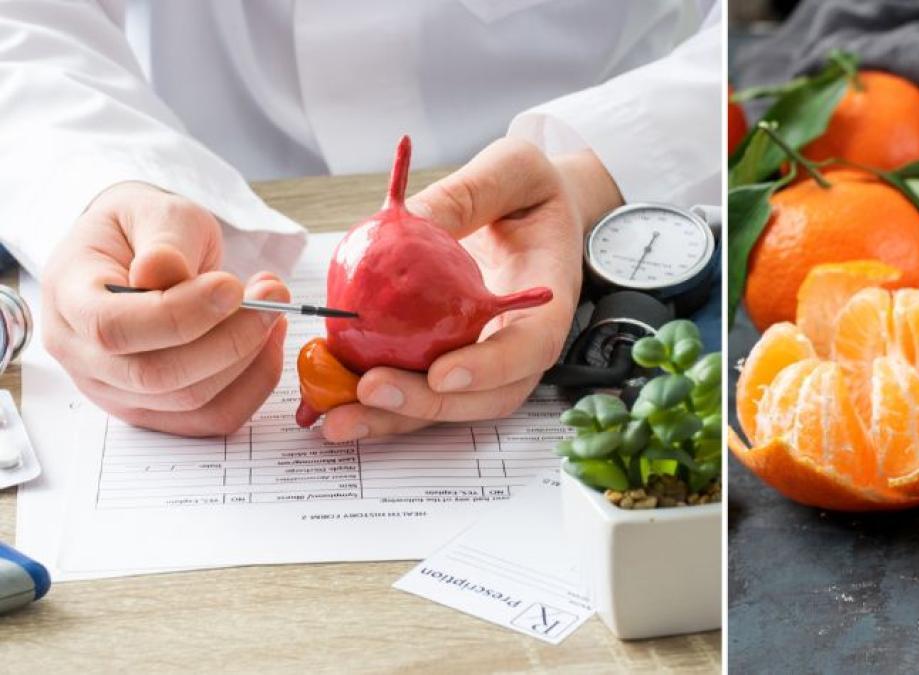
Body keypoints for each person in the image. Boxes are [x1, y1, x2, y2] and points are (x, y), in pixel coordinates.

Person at [0, 1, 720, 441]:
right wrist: (91, 184)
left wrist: (601, 167)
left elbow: (803, 37)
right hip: (202, 183)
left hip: (619, 217)